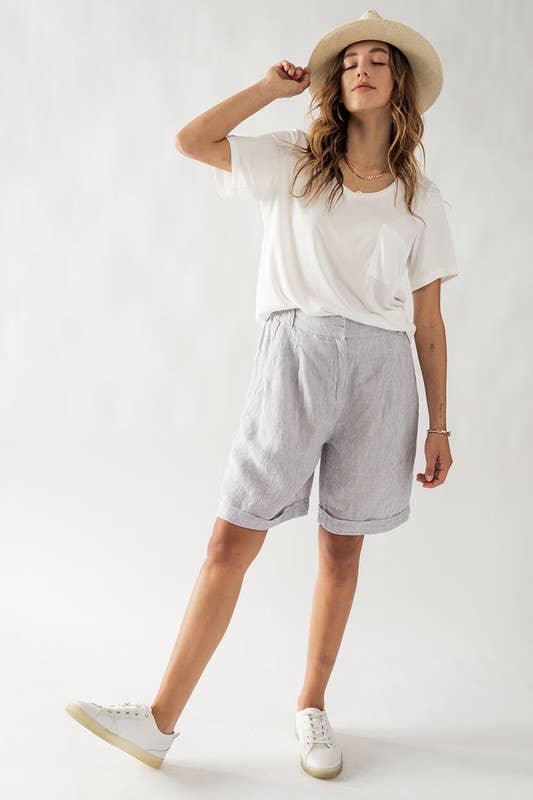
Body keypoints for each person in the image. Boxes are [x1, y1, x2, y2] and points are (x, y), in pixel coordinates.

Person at [65, 9, 459, 780]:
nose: (360, 69)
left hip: (383, 377)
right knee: (230, 537)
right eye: (347, 62)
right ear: (333, 83)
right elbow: (191, 142)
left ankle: (311, 708)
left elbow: (429, 325)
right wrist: (262, 90)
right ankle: (159, 720)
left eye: (377, 60)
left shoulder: (421, 198)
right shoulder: (293, 159)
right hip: (296, 358)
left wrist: (439, 424)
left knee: (341, 547)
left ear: (398, 84)